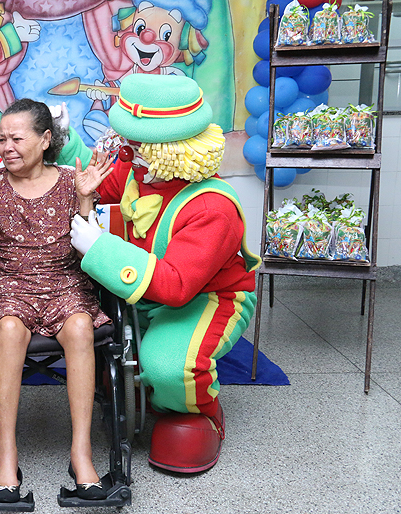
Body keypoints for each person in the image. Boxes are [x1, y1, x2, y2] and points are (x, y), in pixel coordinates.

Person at [69, 74, 261, 473]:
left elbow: (176, 286)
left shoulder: (213, 208)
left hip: (205, 300)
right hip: (143, 294)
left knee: (168, 367)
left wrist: (100, 248)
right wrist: (62, 138)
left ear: (166, 149)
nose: (126, 147)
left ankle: (199, 411)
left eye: (136, 142)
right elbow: (96, 182)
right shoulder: (138, 170)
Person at [0, 98, 113, 502]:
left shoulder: (69, 181)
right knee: (10, 329)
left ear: (46, 139)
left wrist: (86, 200)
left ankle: (81, 453)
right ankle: (6, 452)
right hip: (9, 286)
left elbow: (87, 253)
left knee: (80, 326)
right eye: (1, 139)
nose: (6, 147)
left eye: (16, 138)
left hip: (65, 283)